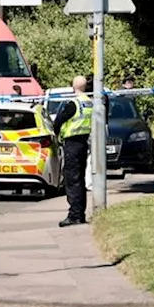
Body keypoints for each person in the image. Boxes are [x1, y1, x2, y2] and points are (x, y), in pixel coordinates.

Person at [49, 75, 94, 227]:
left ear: (72, 86)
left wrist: (56, 135)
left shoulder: (73, 104)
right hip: (84, 143)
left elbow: (58, 122)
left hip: (72, 144)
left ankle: (75, 215)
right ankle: (79, 213)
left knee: (72, 180)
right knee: (79, 179)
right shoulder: (90, 102)